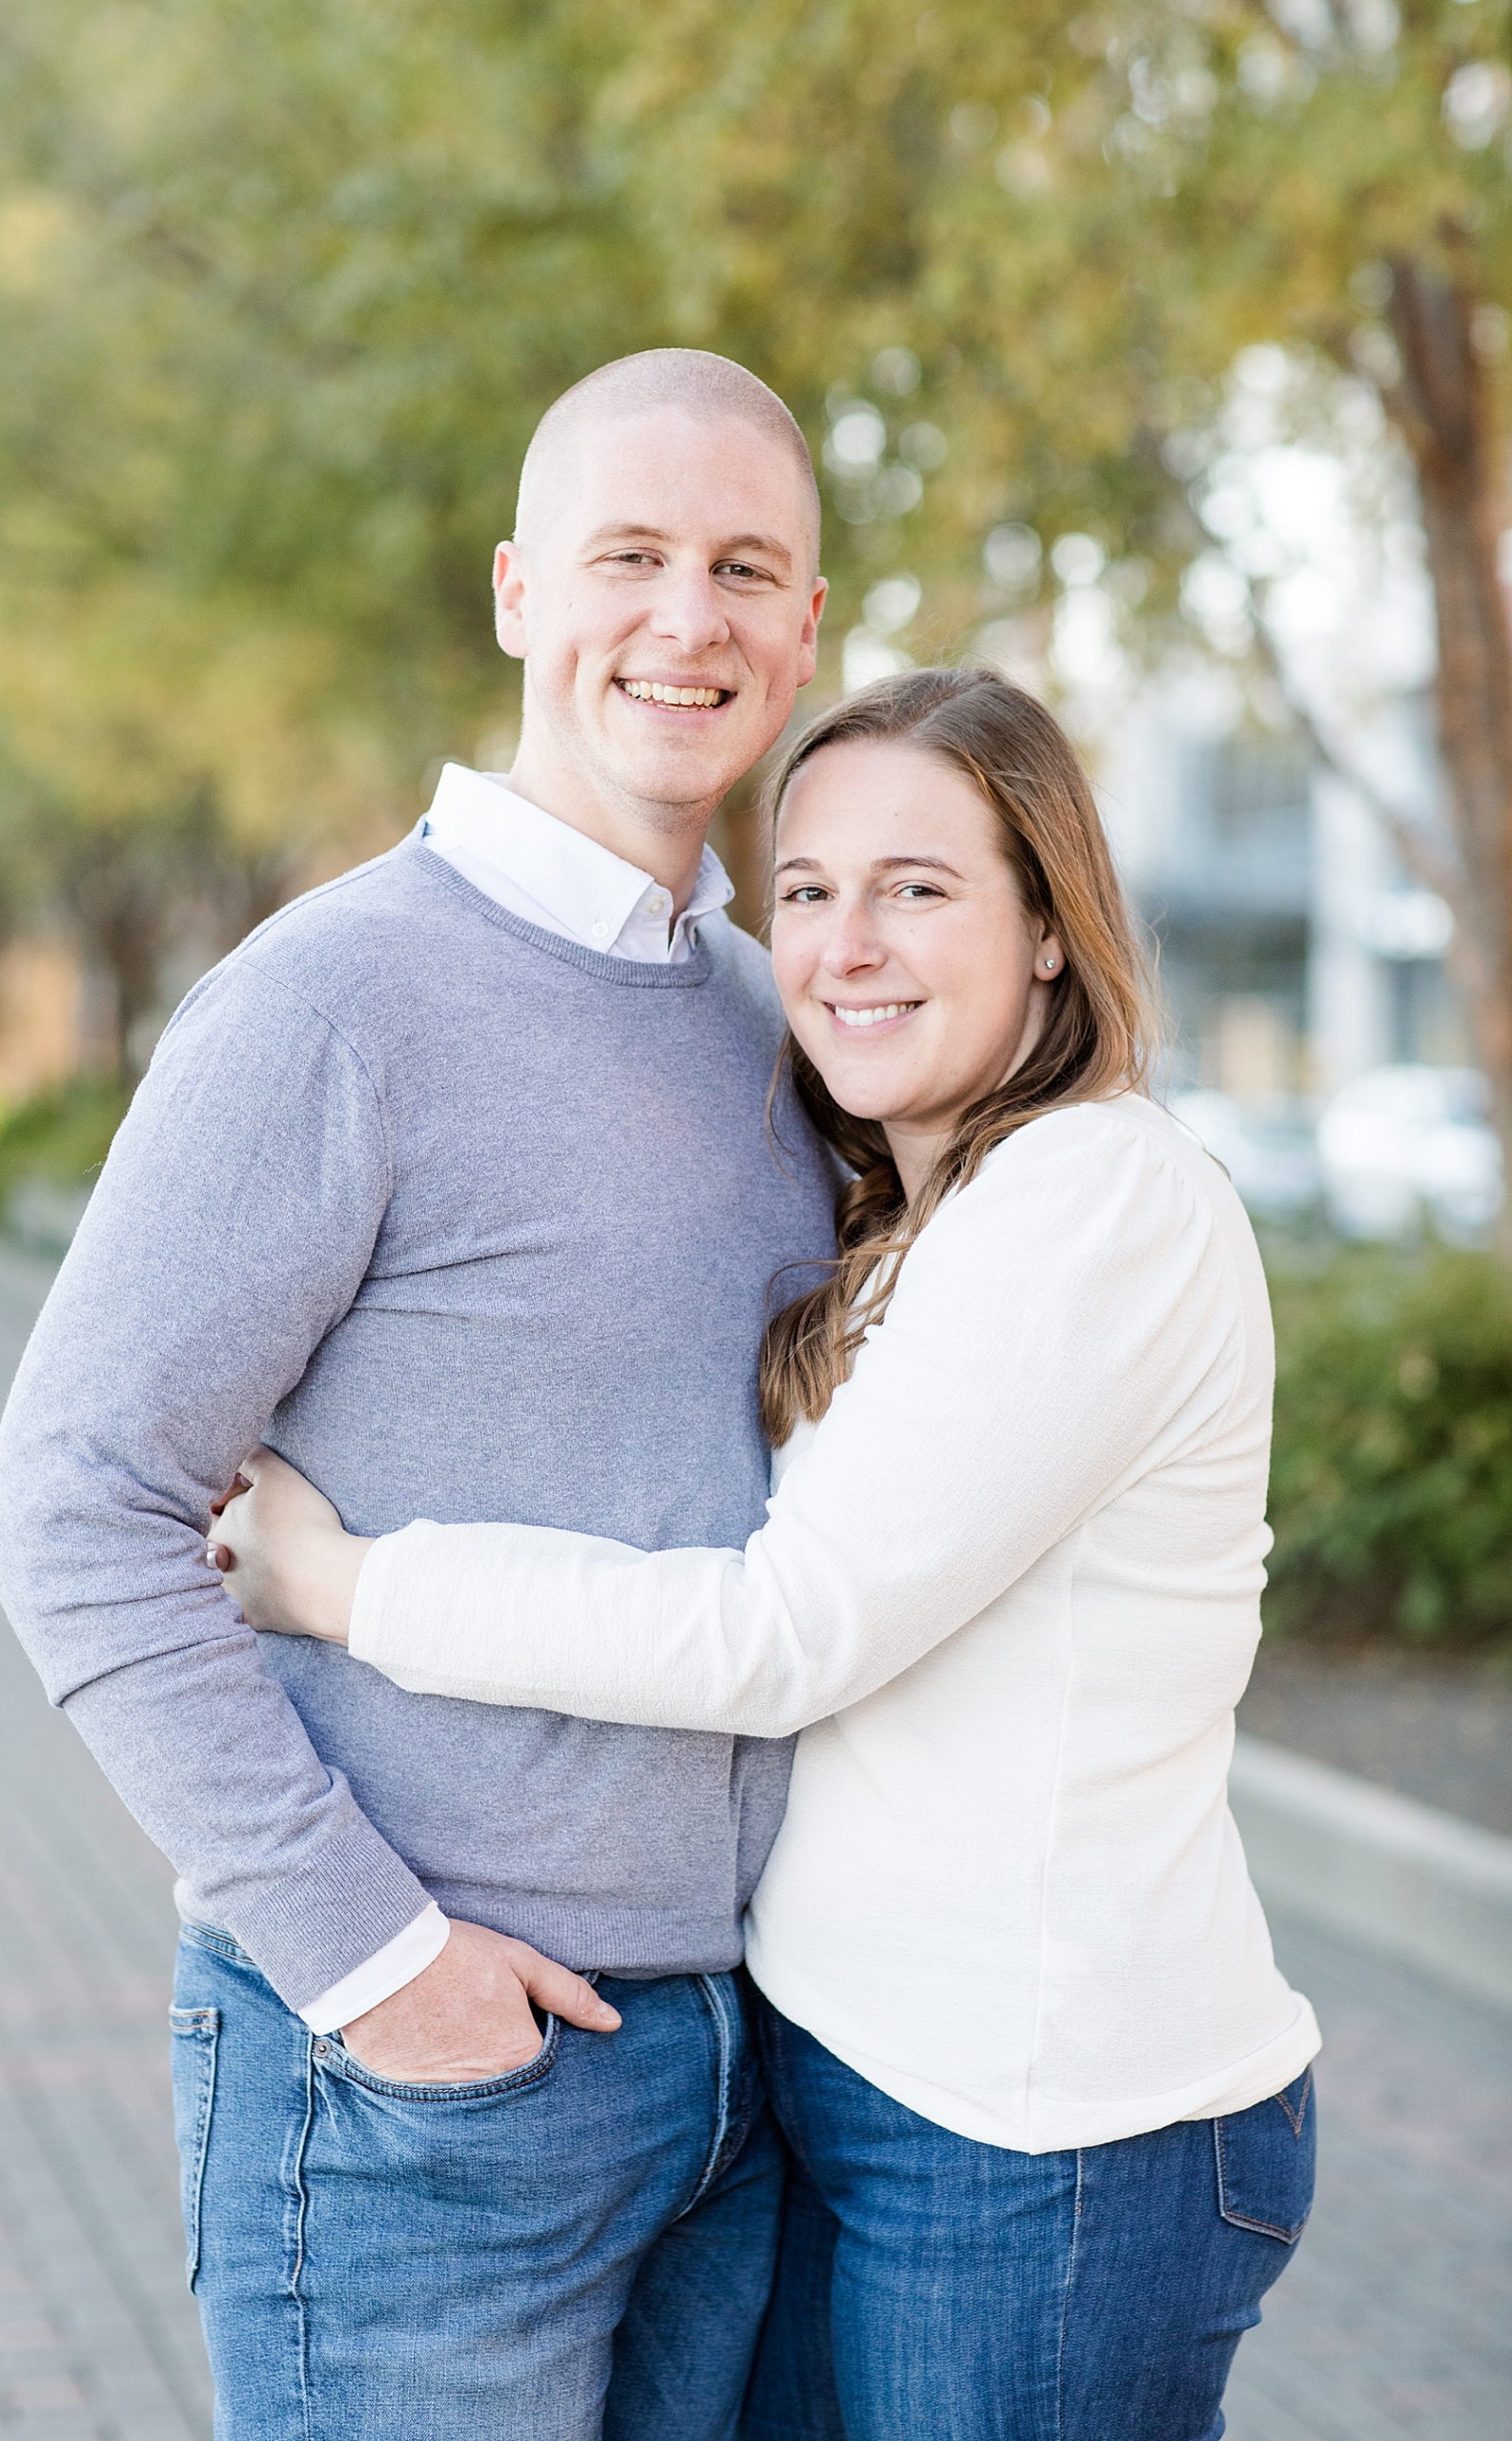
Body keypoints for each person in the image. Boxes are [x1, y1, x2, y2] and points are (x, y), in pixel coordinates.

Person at [213, 666, 1321, 2441]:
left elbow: (785, 1628)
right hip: (867, 2098)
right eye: (805, 889)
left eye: (920, 888)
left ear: (1050, 928)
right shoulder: (916, 1221)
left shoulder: (1095, 1198)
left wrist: (346, 1587)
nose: (845, 943)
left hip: (1045, 2139)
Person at [0, 350, 838, 2440]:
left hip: (740, 2073)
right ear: (514, 593)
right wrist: (372, 1962)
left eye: (744, 566)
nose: (685, 617)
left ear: (808, 622)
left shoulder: (774, 1017)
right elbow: (75, 1506)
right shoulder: (330, 997)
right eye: (626, 555)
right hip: (424, 2091)